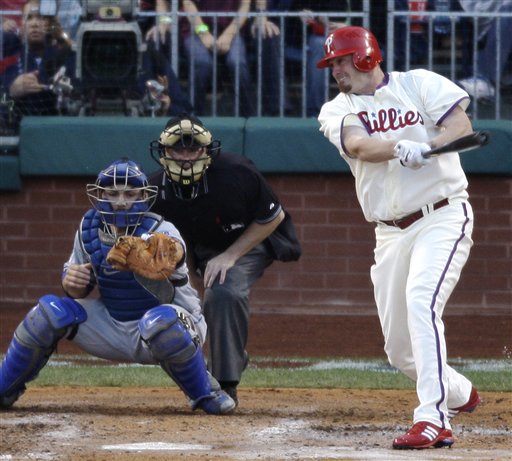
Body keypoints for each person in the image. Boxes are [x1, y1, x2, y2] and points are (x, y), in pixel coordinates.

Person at [317, 26, 480, 449]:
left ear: (367, 57)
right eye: (332, 64)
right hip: (389, 232)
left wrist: (427, 144)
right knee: (399, 351)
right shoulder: (336, 109)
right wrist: (400, 146)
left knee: (420, 300)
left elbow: (460, 127)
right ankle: (460, 393)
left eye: (342, 61)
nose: (336, 71)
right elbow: (360, 145)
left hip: (441, 215)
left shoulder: (419, 83)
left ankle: (433, 419)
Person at [0, 158, 236, 415]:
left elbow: (175, 252)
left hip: (175, 323)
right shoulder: (88, 228)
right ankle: (4, 388)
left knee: (160, 324)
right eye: (112, 193)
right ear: (100, 195)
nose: (121, 201)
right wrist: (71, 281)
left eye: (130, 193)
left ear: (144, 196)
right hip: (113, 323)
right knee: (47, 312)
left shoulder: (160, 229)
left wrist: (165, 252)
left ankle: (206, 393)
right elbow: (77, 289)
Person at [149, 115, 301, 405]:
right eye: (177, 150)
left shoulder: (236, 172)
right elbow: (176, 240)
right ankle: (215, 362)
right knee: (182, 299)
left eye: (192, 149)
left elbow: (273, 217)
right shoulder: (156, 189)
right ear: (163, 151)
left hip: (250, 239)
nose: (185, 157)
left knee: (223, 290)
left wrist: (230, 256)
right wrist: (189, 279)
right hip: (198, 247)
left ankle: (224, 383)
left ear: (207, 150)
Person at [181, 0, 255, 116]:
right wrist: (203, 33)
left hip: (231, 29)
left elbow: (245, 5)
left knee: (237, 63)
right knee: (202, 63)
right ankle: (191, 117)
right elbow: (188, 3)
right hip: (195, 30)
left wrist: (229, 34)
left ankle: (248, 118)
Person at [456, 0, 512, 101]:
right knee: (508, 10)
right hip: (489, 21)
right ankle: (485, 80)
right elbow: (476, 10)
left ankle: (486, 81)